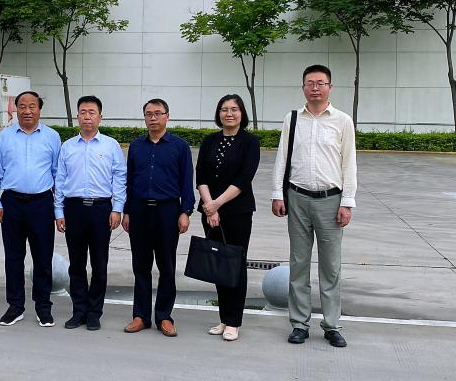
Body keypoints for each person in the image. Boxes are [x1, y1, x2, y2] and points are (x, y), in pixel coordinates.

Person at [272, 64, 357, 348]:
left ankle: (332, 325)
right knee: (298, 263)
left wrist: (347, 202)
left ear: (330, 87)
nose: (315, 88)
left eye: (321, 83)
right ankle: (299, 324)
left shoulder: (342, 121)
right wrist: (277, 193)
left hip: (331, 201)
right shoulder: (293, 119)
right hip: (297, 198)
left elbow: (349, 164)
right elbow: (282, 158)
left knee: (331, 267)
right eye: (310, 83)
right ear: (303, 87)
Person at [0, 91, 61, 328]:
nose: (27, 111)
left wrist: (59, 210)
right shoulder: (5, 137)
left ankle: (43, 307)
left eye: (32, 106)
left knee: (43, 258)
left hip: (42, 203)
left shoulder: (52, 137)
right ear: (15, 109)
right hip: (12, 203)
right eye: (22, 106)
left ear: (39, 109)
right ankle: (15, 306)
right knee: (13, 258)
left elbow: (58, 175)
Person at [122, 98, 195, 337]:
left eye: (157, 113)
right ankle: (141, 316)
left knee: (166, 266)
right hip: (139, 211)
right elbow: (129, 181)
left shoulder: (179, 146)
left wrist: (185, 212)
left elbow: (186, 181)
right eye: (148, 114)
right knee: (140, 266)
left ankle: (164, 316)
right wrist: (127, 211)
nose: (153, 118)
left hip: (168, 211)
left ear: (167, 116)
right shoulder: (136, 146)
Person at [54, 95, 126, 331]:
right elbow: (60, 180)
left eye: (91, 112)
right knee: (76, 265)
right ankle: (79, 311)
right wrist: (59, 211)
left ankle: (94, 313)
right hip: (73, 209)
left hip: (101, 210)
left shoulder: (110, 145)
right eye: (83, 112)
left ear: (100, 117)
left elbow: (119, 179)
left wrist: (117, 209)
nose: (87, 116)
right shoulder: (67, 147)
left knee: (99, 264)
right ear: (77, 116)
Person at [196, 94, 260, 342]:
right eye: (224, 109)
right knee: (218, 264)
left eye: (234, 109)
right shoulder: (209, 141)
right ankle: (224, 318)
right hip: (210, 212)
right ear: (218, 113)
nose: (229, 113)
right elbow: (200, 175)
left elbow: (244, 178)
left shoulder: (249, 142)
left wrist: (217, 204)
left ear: (242, 113)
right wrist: (209, 207)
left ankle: (234, 321)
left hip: (237, 212)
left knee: (235, 265)